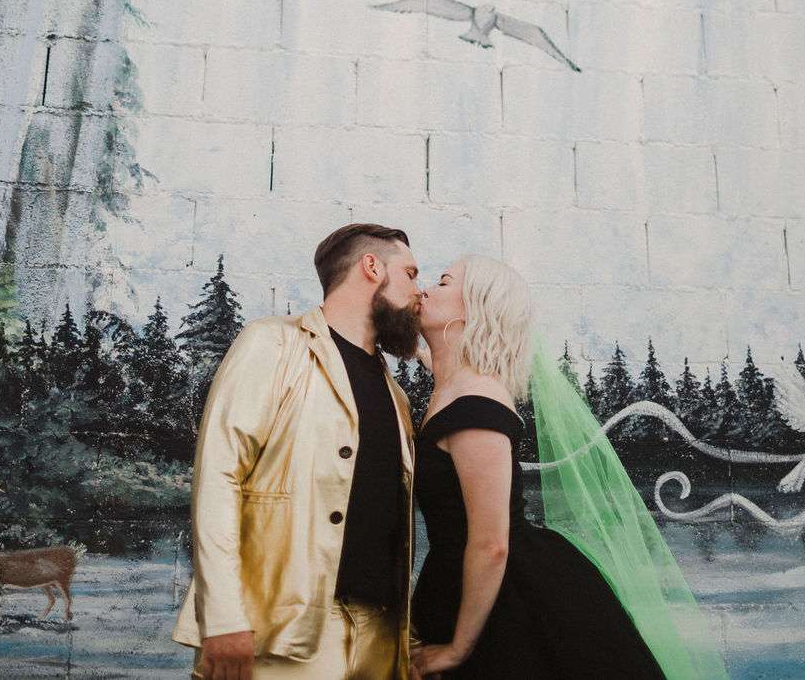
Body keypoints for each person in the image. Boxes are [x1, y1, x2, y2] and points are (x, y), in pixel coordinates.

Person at [410, 256, 729, 680]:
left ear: (474, 308)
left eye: (443, 282)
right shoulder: (458, 387)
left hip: (503, 599)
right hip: (469, 582)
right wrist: (416, 349)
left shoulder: (474, 406)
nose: (425, 289)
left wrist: (456, 650)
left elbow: (491, 544)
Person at [171, 222, 424, 680]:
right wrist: (223, 616)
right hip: (281, 638)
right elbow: (219, 476)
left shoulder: (396, 394)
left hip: (382, 639)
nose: (418, 291)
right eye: (410, 273)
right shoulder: (272, 343)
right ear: (371, 267)